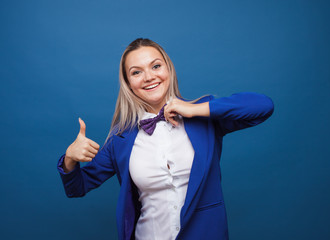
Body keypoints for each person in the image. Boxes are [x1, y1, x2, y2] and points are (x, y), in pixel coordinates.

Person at [57, 38, 274, 240]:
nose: (149, 77)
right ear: (128, 83)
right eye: (136, 72)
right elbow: (77, 187)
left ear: (168, 69)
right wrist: (70, 158)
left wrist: (195, 109)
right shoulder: (120, 138)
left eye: (156, 66)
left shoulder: (204, 117)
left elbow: (263, 106)